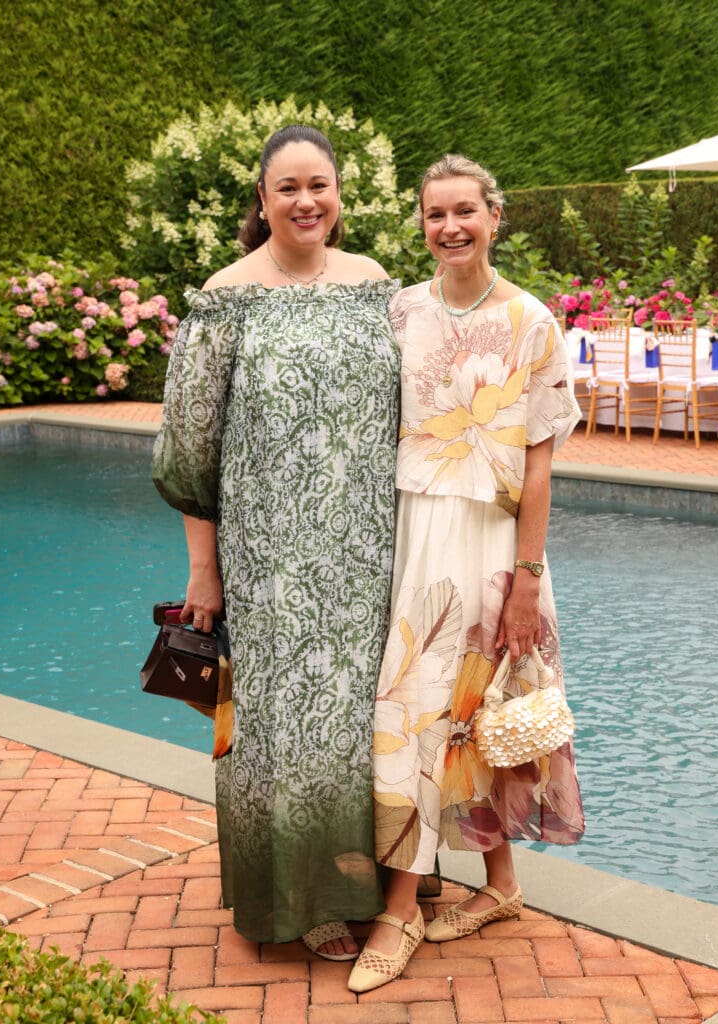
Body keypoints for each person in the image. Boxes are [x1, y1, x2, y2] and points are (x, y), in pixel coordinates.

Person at [152, 125, 401, 960]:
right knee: (275, 733)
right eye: (287, 187)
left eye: (319, 185)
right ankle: (295, 903)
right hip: (272, 563)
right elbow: (191, 452)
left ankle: (358, 880)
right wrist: (204, 571)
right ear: (261, 200)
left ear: (338, 195)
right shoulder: (225, 298)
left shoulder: (373, 286)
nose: (306, 201)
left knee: (355, 724)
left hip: (368, 554)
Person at [348, 154, 585, 992]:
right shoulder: (399, 310)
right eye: (433, 214)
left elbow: (541, 467)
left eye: (464, 212)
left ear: (494, 216)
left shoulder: (532, 322)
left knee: (484, 715)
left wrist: (524, 578)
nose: (448, 227)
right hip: (418, 534)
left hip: (492, 546)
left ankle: (401, 906)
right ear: (420, 223)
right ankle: (497, 890)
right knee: (420, 706)